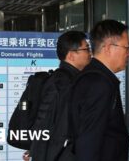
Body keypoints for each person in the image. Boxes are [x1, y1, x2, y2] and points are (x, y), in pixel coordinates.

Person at [23, 30, 91, 161]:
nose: (90, 54)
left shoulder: (66, 80)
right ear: (71, 55)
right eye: (86, 49)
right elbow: (47, 123)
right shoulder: (63, 83)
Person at [72, 20, 129, 161]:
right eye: (126, 48)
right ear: (109, 48)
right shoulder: (98, 84)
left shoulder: (97, 77)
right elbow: (88, 142)